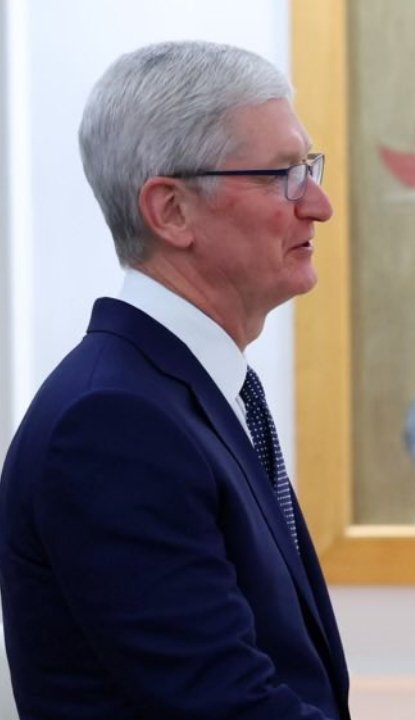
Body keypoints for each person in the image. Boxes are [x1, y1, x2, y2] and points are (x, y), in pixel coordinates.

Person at [0, 41, 349, 718]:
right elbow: (225, 705)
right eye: (282, 174)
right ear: (172, 212)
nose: (319, 204)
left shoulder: (189, 395)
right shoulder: (110, 425)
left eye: (308, 167)